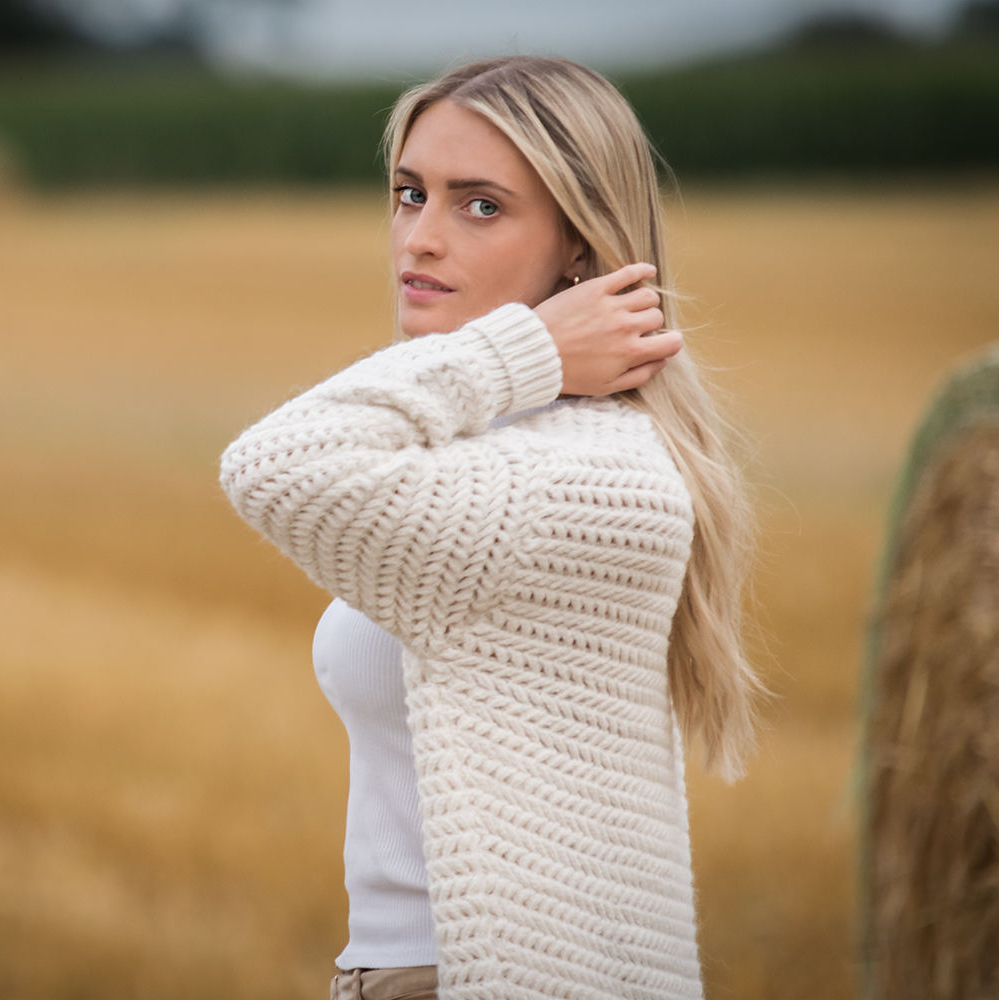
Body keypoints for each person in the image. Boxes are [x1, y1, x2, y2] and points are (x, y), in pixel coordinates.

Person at [220, 55, 758, 1000]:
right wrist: (522, 361)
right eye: (408, 193)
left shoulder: (584, 478)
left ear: (581, 251)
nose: (419, 238)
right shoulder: (503, 439)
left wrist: (527, 348)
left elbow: (275, 465)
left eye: (479, 206)